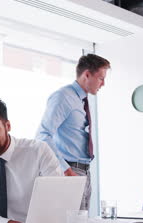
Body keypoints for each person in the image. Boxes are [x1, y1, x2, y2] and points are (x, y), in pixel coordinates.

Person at [36, 53, 110, 210]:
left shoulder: (81, 99)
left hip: (83, 172)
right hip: (70, 170)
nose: (103, 84)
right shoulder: (63, 97)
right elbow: (42, 136)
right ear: (87, 74)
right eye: (101, 78)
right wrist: (66, 170)